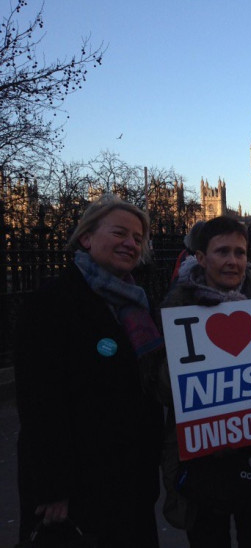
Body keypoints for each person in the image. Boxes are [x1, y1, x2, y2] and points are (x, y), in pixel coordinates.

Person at [14, 194, 164, 547]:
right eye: (119, 233)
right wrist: (53, 487)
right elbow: (40, 403)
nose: (130, 243)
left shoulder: (137, 303)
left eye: (137, 238)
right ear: (86, 238)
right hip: (79, 486)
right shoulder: (50, 303)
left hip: (132, 478)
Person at [159, 216, 251, 548]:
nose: (232, 261)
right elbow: (158, 384)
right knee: (208, 538)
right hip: (204, 456)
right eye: (222, 252)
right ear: (201, 258)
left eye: (239, 252)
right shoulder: (177, 308)